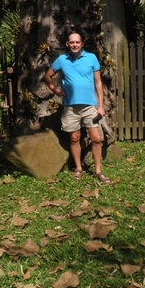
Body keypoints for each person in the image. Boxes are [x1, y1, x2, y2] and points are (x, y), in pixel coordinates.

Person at [43, 32, 111, 184]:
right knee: (74, 138)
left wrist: (100, 105)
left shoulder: (91, 58)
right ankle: (79, 168)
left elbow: (98, 83)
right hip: (70, 107)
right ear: (67, 44)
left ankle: (98, 170)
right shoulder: (62, 60)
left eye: (77, 42)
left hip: (89, 107)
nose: (74, 45)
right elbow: (47, 77)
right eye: (72, 42)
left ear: (82, 44)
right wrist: (56, 90)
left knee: (96, 139)